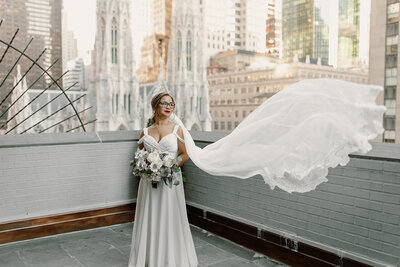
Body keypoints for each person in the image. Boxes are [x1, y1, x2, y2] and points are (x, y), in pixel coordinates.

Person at [128, 92, 198, 267]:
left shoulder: (177, 129)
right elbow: (140, 155)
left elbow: (184, 154)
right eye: (164, 103)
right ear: (155, 106)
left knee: (169, 216)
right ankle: (149, 258)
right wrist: (144, 166)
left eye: (171, 104)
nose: (168, 107)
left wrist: (170, 167)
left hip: (169, 180)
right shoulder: (145, 132)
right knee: (150, 216)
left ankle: (171, 259)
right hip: (149, 182)